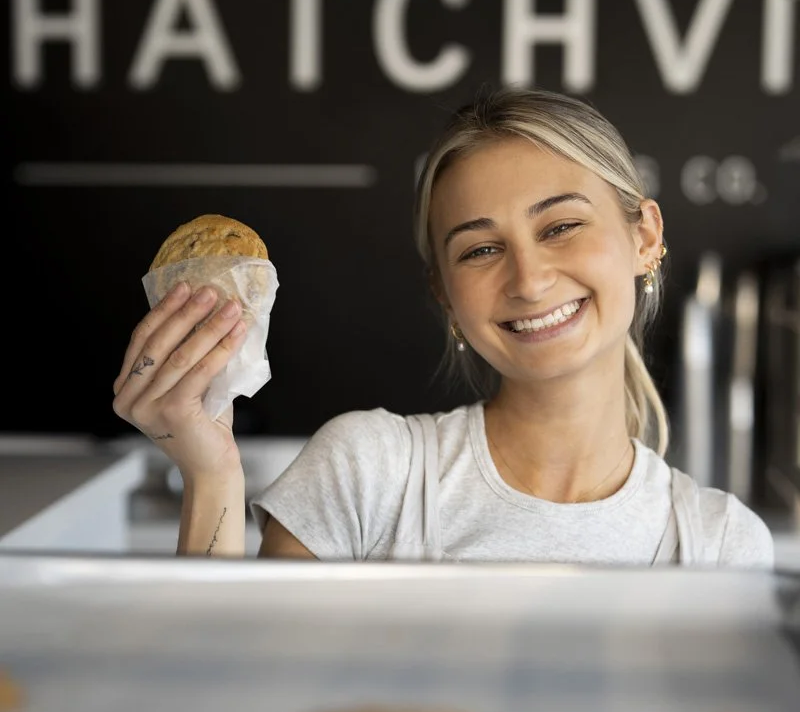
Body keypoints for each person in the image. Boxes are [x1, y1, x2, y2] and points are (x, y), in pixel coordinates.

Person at [112, 86, 774, 568]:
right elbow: (226, 701)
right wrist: (211, 476)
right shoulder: (370, 473)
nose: (528, 278)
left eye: (561, 226)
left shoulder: (720, 544)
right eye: (480, 249)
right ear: (445, 294)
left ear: (645, 237)